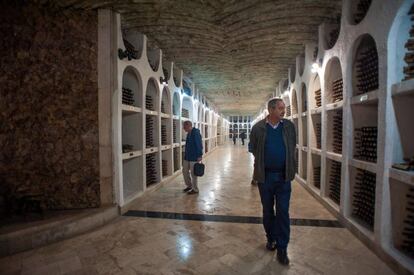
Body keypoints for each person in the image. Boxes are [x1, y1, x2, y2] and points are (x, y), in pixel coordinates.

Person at [249, 98, 296, 265]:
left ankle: (282, 248)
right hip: (266, 177)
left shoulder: (289, 127)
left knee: (283, 212)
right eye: (281, 108)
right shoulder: (258, 128)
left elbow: (292, 146)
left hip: (284, 177)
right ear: (271, 110)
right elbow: (252, 147)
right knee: (268, 211)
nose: (284, 111)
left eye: (284, 108)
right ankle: (271, 238)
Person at [182, 121, 203, 194]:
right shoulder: (188, 134)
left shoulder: (196, 133)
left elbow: (199, 144)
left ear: (189, 126)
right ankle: (189, 186)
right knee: (185, 172)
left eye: (184, 127)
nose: (184, 129)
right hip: (187, 156)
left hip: (194, 157)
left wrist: (200, 155)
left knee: (193, 174)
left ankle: (195, 189)